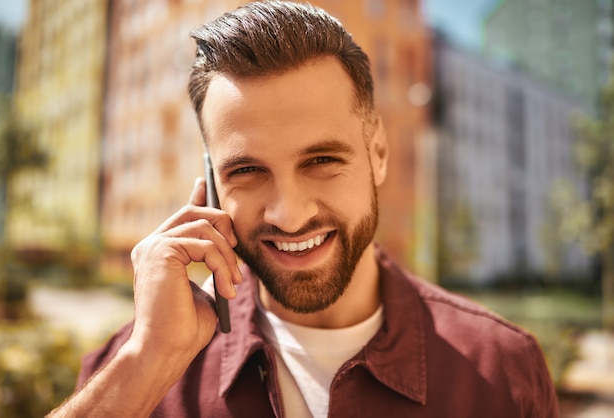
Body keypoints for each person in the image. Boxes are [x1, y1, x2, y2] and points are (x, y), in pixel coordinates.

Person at [49, 1, 558, 417]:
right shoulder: (134, 369)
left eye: (321, 160)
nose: (289, 215)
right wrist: (147, 364)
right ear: (210, 185)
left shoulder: (503, 372)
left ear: (378, 153)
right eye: (246, 171)